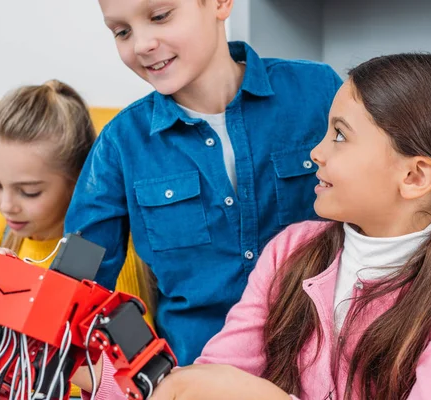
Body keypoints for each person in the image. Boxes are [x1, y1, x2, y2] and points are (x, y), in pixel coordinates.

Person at [137, 53, 431, 400]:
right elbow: (216, 378)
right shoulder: (291, 249)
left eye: (339, 135)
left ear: (414, 176)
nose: (316, 151)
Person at [64, 0, 342, 369]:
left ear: (220, 3)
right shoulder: (120, 144)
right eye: (122, 32)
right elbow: (77, 286)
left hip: (326, 370)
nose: (142, 44)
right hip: (198, 377)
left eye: (160, 16)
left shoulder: (319, 92)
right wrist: (150, 367)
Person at [0, 80, 151, 397]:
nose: (6, 205)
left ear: (79, 183)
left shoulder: (110, 256)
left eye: (29, 191)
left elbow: (122, 377)